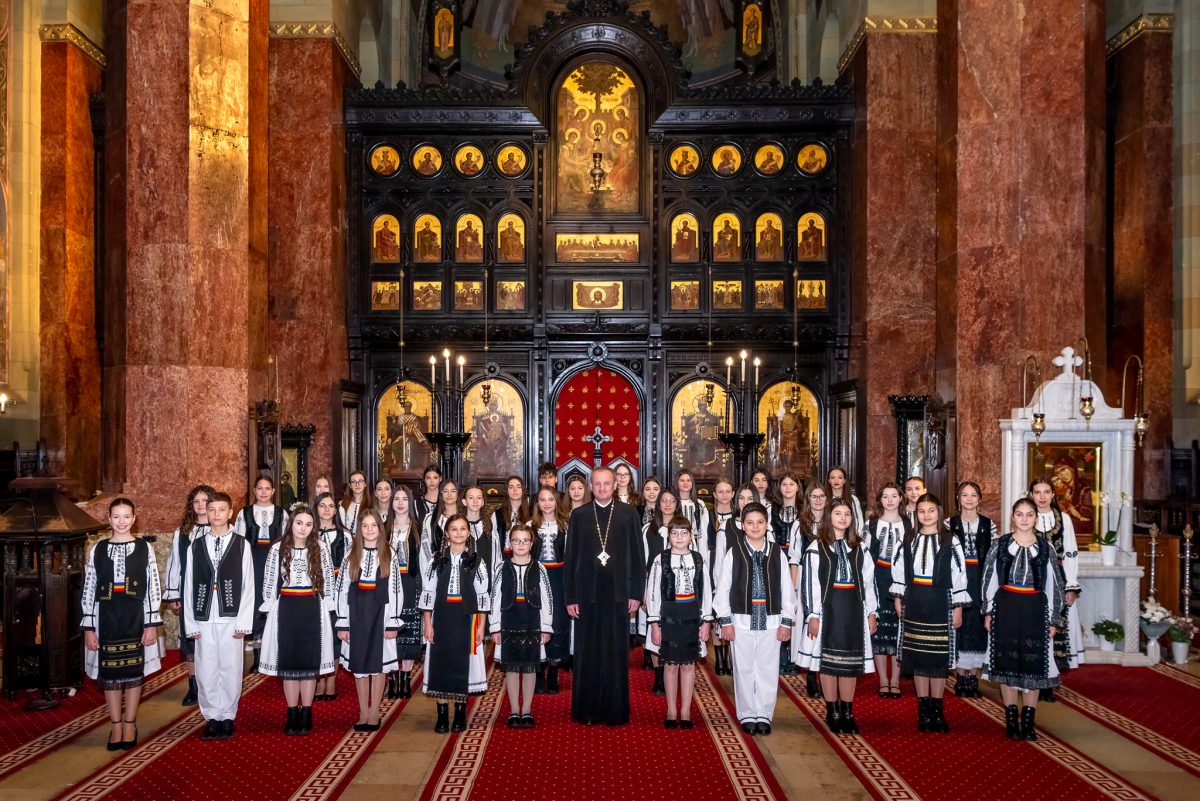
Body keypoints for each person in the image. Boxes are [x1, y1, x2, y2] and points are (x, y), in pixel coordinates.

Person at [564, 467, 645, 726]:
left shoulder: (628, 513)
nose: (601, 488)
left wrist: (636, 593)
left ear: (614, 485)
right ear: (591, 486)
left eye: (606, 484)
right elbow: (571, 558)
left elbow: (637, 556)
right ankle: (586, 710)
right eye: (597, 484)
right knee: (587, 654)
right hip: (586, 594)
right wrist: (570, 597)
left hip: (618, 594)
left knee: (614, 653)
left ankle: (615, 711)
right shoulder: (579, 515)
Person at [82, 498, 163, 750]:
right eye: (116, 516)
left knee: (132, 672)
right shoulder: (97, 548)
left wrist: (151, 624)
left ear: (134, 517)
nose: (121, 521)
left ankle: (130, 722)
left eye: (126, 516)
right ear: (109, 519)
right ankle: (115, 723)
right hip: (106, 614)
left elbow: (153, 587)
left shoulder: (143, 548)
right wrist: (89, 627)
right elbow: (89, 587)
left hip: (135, 615)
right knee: (111, 673)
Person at [982, 497, 1065, 740]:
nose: (1025, 519)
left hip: (1035, 610)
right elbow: (989, 580)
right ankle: (1010, 718)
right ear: (1012, 517)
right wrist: (988, 612)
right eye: (1020, 514)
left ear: (1036, 519)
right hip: (1005, 607)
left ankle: (1028, 719)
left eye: (1030, 515)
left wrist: (1053, 619)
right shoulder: (1000, 544)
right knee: (1006, 663)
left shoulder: (1046, 548)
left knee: (1034, 664)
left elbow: (1056, 585)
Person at [796, 499, 878, 735]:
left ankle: (847, 711)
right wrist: (812, 614)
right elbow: (810, 584)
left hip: (854, 609)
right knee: (829, 663)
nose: (843, 518)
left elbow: (869, 583)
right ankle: (832, 710)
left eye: (847, 514)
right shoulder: (816, 548)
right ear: (829, 517)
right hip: (828, 609)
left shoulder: (860, 548)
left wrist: (871, 612)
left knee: (850, 664)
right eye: (838, 513)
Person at [891, 493, 969, 733]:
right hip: (915, 601)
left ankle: (937, 709)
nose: (926, 515)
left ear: (939, 512)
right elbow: (899, 570)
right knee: (919, 659)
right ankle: (923, 710)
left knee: (937, 659)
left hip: (940, 602)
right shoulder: (908, 538)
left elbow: (959, 573)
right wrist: (898, 598)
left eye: (931, 511)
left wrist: (957, 607)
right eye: (921, 511)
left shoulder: (950, 540)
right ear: (916, 513)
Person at [714, 503, 794, 735]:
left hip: (771, 620)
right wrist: (725, 620)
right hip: (741, 620)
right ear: (742, 526)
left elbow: (786, 589)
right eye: (750, 522)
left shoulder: (777, 552)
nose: (755, 526)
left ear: (767, 524)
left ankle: (764, 714)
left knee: (768, 669)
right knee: (745, 668)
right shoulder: (734, 552)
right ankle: (748, 712)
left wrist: (786, 621)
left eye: (760, 522)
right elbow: (724, 587)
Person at [258, 507, 336, 736]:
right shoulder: (277, 548)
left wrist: (329, 603)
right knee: (290, 662)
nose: (303, 528)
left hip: (312, 605)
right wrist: (270, 606)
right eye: (299, 523)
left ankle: (307, 712)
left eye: (308, 524)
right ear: (291, 523)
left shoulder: (320, 548)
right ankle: (292, 711)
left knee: (309, 664)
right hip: (287, 607)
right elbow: (270, 579)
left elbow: (329, 577)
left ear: (314, 527)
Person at [183, 492, 255, 740]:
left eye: (221, 510)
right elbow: (189, 585)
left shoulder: (241, 544)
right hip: (204, 616)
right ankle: (213, 715)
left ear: (230, 512)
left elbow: (248, 585)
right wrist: (191, 623)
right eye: (211, 509)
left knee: (231, 667)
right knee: (207, 668)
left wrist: (244, 622)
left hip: (231, 616)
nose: (216, 514)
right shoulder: (197, 545)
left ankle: (228, 715)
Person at [421, 514, 491, 732]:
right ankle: (442, 714)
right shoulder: (436, 561)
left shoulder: (476, 562)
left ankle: (460, 712)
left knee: (464, 664)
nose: (459, 533)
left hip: (466, 620)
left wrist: (480, 627)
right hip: (441, 618)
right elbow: (428, 594)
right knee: (440, 663)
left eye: (463, 529)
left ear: (468, 533)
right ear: (447, 533)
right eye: (454, 529)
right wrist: (428, 623)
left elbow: (482, 597)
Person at [335, 511, 403, 732]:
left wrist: (393, 620)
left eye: (374, 525)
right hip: (356, 613)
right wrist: (343, 622)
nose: (370, 529)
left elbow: (395, 588)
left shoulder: (389, 554)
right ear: (359, 529)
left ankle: (375, 712)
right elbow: (342, 589)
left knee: (379, 663)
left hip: (381, 612)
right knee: (360, 664)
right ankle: (363, 711)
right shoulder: (351, 555)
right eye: (365, 526)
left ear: (380, 529)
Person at [646, 517, 712, 729]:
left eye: (684, 533)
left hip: (692, 614)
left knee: (688, 664)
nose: (680, 537)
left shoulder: (699, 559)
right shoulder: (660, 559)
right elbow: (653, 592)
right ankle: (671, 709)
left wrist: (706, 621)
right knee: (671, 664)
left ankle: (685, 710)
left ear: (691, 537)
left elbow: (706, 591)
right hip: (669, 615)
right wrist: (655, 624)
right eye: (675, 533)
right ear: (669, 537)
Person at [490, 525, 554, 728]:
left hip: (532, 620)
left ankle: (526, 709)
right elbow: (495, 598)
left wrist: (546, 626)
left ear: (531, 543)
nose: (520, 544)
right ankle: (513, 710)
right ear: (509, 543)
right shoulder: (502, 567)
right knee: (511, 667)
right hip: (508, 620)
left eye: (525, 540)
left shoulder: (539, 568)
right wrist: (494, 626)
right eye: (516, 540)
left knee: (529, 666)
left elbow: (547, 598)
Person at [1029, 475, 1084, 701]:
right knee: (1036, 631)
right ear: (1031, 495)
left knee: (1055, 632)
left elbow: (1071, 553)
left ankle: (1049, 682)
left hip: (1058, 581)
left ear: (1053, 495)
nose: (1042, 497)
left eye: (1046, 492)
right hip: (1033, 583)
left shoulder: (1064, 519)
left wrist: (1070, 586)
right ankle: (1035, 679)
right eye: (1037, 492)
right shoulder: (1026, 516)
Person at [164, 484, 215, 707]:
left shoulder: (223, 529)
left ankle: (211, 685)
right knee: (191, 643)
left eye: (205, 501)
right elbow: (175, 563)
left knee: (212, 641)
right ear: (191, 506)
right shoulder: (182, 532)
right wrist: (173, 592)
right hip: (189, 594)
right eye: (196, 501)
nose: (201, 505)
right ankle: (193, 685)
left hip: (215, 595)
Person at [234, 475, 289, 671]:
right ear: (255, 490)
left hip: (275, 562)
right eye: (260, 488)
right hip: (253, 563)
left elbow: (286, 541)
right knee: (256, 605)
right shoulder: (245, 513)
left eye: (267, 488)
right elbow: (239, 543)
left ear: (273, 491)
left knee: (274, 602)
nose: (264, 492)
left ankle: (274, 654)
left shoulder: (282, 513)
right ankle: (257, 657)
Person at [948, 481, 994, 698]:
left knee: (976, 624)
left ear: (979, 499)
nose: (968, 499)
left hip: (979, 579)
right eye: (964, 495)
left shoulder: (988, 524)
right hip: (957, 576)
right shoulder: (950, 523)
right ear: (958, 498)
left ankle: (973, 676)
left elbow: (993, 556)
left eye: (973, 495)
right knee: (960, 624)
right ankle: (960, 676)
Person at [865, 483, 908, 698]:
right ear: (880, 500)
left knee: (900, 629)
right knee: (880, 630)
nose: (890, 500)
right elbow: (865, 553)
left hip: (902, 578)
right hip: (878, 576)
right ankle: (883, 679)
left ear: (901, 498)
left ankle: (895, 680)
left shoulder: (909, 524)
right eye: (885, 496)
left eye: (894, 496)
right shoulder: (872, 524)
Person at [530, 487, 570, 693]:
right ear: (537, 503)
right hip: (536, 577)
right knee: (537, 620)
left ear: (557, 502)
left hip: (559, 578)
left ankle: (553, 669)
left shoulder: (565, 525)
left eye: (550, 500)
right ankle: (537, 669)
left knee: (557, 620)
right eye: (542, 500)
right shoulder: (530, 526)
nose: (546, 503)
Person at [387, 485, 425, 700]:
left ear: (410, 503)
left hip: (411, 584)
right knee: (391, 634)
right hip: (390, 585)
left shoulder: (418, 528)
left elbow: (424, 559)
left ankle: (405, 679)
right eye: (396, 499)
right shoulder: (384, 527)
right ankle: (392, 678)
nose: (400, 503)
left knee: (409, 635)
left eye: (404, 499)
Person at [314, 491, 352, 702]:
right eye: (322, 506)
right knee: (319, 636)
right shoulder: (310, 533)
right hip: (315, 589)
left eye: (330, 506)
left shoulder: (344, 535)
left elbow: (348, 564)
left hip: (337, 590)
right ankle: (319, 680)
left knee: (334, 634)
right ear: (316, 508)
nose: (326, 510)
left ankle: (331, 681)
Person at [706, 478, 737, 676]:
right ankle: (719, 656)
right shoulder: (708, 515)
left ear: (733, 494)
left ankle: (728, 653)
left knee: (731, 611)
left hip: (733, 566)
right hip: (713, 562)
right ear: (715, 495)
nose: (724, 495)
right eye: (720, 491)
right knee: (716, 611)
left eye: (728, 491)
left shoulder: (738, 516)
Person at [422, 478, 462, 557]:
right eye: (445, 491)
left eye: (453, 491)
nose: (449, 494)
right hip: (438, 565)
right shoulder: (430, 519)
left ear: (458, 494)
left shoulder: (465, 517)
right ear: (441, 494)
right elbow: (425, 546)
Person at [493, 475, 531, 550]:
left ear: (523, 491)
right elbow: (494, 541)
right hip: (504, 557)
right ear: (507, 491)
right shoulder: (497, 514)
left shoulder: (531, 513)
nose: (515, 490)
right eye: (511, 487)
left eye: (518, 487)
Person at [826, 467, 865, 533]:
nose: (836, 481)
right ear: (829, 481)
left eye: (840, 477)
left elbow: (859, 521)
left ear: (844, 481)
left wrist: (855, 538)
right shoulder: (824, 499)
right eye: (833, 478)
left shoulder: (853, 499)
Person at [674, 469, 710, 540]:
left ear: (692, 483)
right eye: (682, 480)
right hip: (676, 540)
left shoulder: (700, 504)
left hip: (697, 541)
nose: (685, 483)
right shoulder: (672, 503)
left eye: (688, 480)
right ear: (677, 483)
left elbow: (705, 526)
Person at [416, 464, 443, 528]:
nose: (432, 481)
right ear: (424, 479)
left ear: (440, 478)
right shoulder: (416, 503)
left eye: (435, 478)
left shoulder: (446, 500)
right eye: (428, 478)